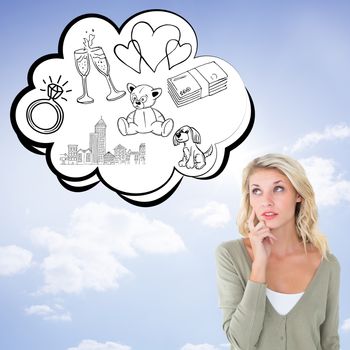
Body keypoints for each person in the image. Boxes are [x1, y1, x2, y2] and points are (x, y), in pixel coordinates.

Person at [215, 153, 340, 350]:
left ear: (298, 194)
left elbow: (330, 342)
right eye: (256, 191)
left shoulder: (327, 264)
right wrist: (259, 265)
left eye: (278, 189)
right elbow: (242, 342)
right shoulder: (230, 255)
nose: (266, 201)